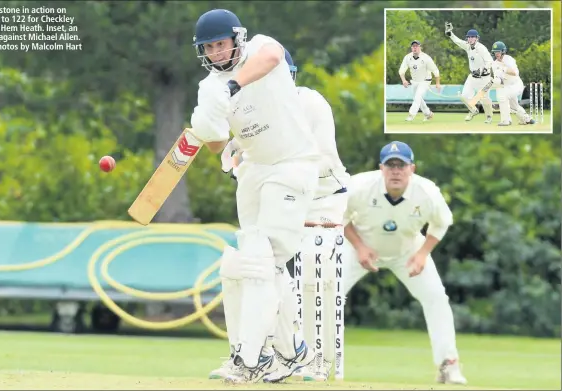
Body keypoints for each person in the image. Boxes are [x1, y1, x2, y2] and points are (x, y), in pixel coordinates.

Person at [190, 9, 320, 384]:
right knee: (246, 265)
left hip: (293, 163)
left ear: (236, 38)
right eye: (209, 48)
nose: (216, 53)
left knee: (264, 260)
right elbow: (216, 146)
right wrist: (205, 122)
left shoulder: (260, 47)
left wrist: (230, 88)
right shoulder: (207, 87)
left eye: (220, 44)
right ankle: (291, 351)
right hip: (254, 170)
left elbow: (273, 58)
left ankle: (250, 360)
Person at [216, 50, 350, 383]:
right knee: (250, 265)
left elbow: (314, 159)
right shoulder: (257, 111)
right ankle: (275, 353)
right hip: (280, 195)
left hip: (322, 199)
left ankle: (295, 356)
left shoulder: (311, 103)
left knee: (300, 270)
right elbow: (242, 151)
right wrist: (236, 159)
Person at [339, 141, 468, 385]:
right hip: (359, 247)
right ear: (381, 168)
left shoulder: (427, 192)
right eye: (390, 165)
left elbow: (442, 223)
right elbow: (338, 215)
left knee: (436, 298)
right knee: (329, 295)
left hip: (408, 251)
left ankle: (448, 365)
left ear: (412, 168)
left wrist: (422, 254)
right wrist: (359, 246)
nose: (395, 171)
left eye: (401, 165)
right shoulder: (358, 187)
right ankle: (315, 361)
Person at [444, 24, 494, 123]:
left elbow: (489, 61)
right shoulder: (467, 46)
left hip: (484, 78)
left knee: (485, 99)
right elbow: (458, 41)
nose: (470, 39)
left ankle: (489, 117)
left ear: (477, 38)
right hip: (472, 77)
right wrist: (450, 34)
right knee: (464, 96)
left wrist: (483, 69)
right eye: (469, 37)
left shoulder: (481, 48)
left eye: (472, 37)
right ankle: (473, 110)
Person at [489, 41, 535, 126]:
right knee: (513, 105)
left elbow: (514, 72)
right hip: (506, 86)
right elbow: (498, 79)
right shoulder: (494, 64)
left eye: (498, 52)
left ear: (503, 51)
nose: (497, 54)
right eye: (495, 52)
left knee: (502, 96)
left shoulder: (508, 59)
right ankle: (526, 119)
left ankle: (506, 120)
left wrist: (503, 69)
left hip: (516, 84)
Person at [398, 40, 441, 122]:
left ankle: (411, 115)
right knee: (417, 98)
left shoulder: (426, 58)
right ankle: (428, 114)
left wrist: (437, 83)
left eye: (416, 46)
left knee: (418, 96)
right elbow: (401, 71)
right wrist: (404, 80)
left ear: (420, 47)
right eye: (413, 46)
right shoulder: (407, 57)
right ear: (411, 48)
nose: (415, 48)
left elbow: (435, 70)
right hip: (414, 81)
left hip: (425, 81)